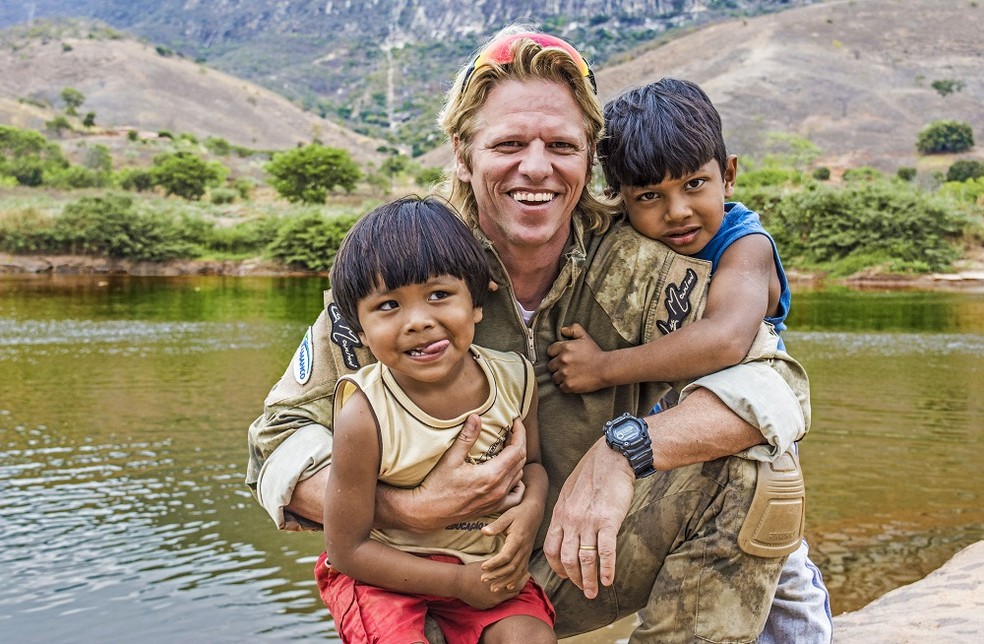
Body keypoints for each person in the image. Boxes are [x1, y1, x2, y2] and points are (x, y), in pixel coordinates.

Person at [247, 28, 812, 642]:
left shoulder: (639, 263)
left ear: (589, 158)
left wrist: (628, 449)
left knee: (763, 472)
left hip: (584, 554)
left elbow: (777, 388)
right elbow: (277, 440)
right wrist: (404, 508)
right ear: (463, 155)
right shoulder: (411, 268)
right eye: (509, 144)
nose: (536, 168)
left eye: (561, 145)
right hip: (440, 574)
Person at [547, 77, 833, 642]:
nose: (677, 212)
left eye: (694, 185)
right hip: (676, 434)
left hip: (742, 432)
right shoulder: (634, 249)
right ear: (620, 197)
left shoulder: (743, 244)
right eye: (649, 196)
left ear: (727, 173)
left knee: (777, 553)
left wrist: (605, 367)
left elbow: (725, 340)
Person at [318, 196, 555, 643]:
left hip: (481, 565)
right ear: (360, 331)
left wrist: (531, 510)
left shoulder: (515, 378)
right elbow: (346, 549)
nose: (419, 321)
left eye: (439, 295)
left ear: (477, 302)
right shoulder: (365, 414)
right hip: (383, 571)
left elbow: (534, 466)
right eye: (388, 305)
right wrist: (454, 585)